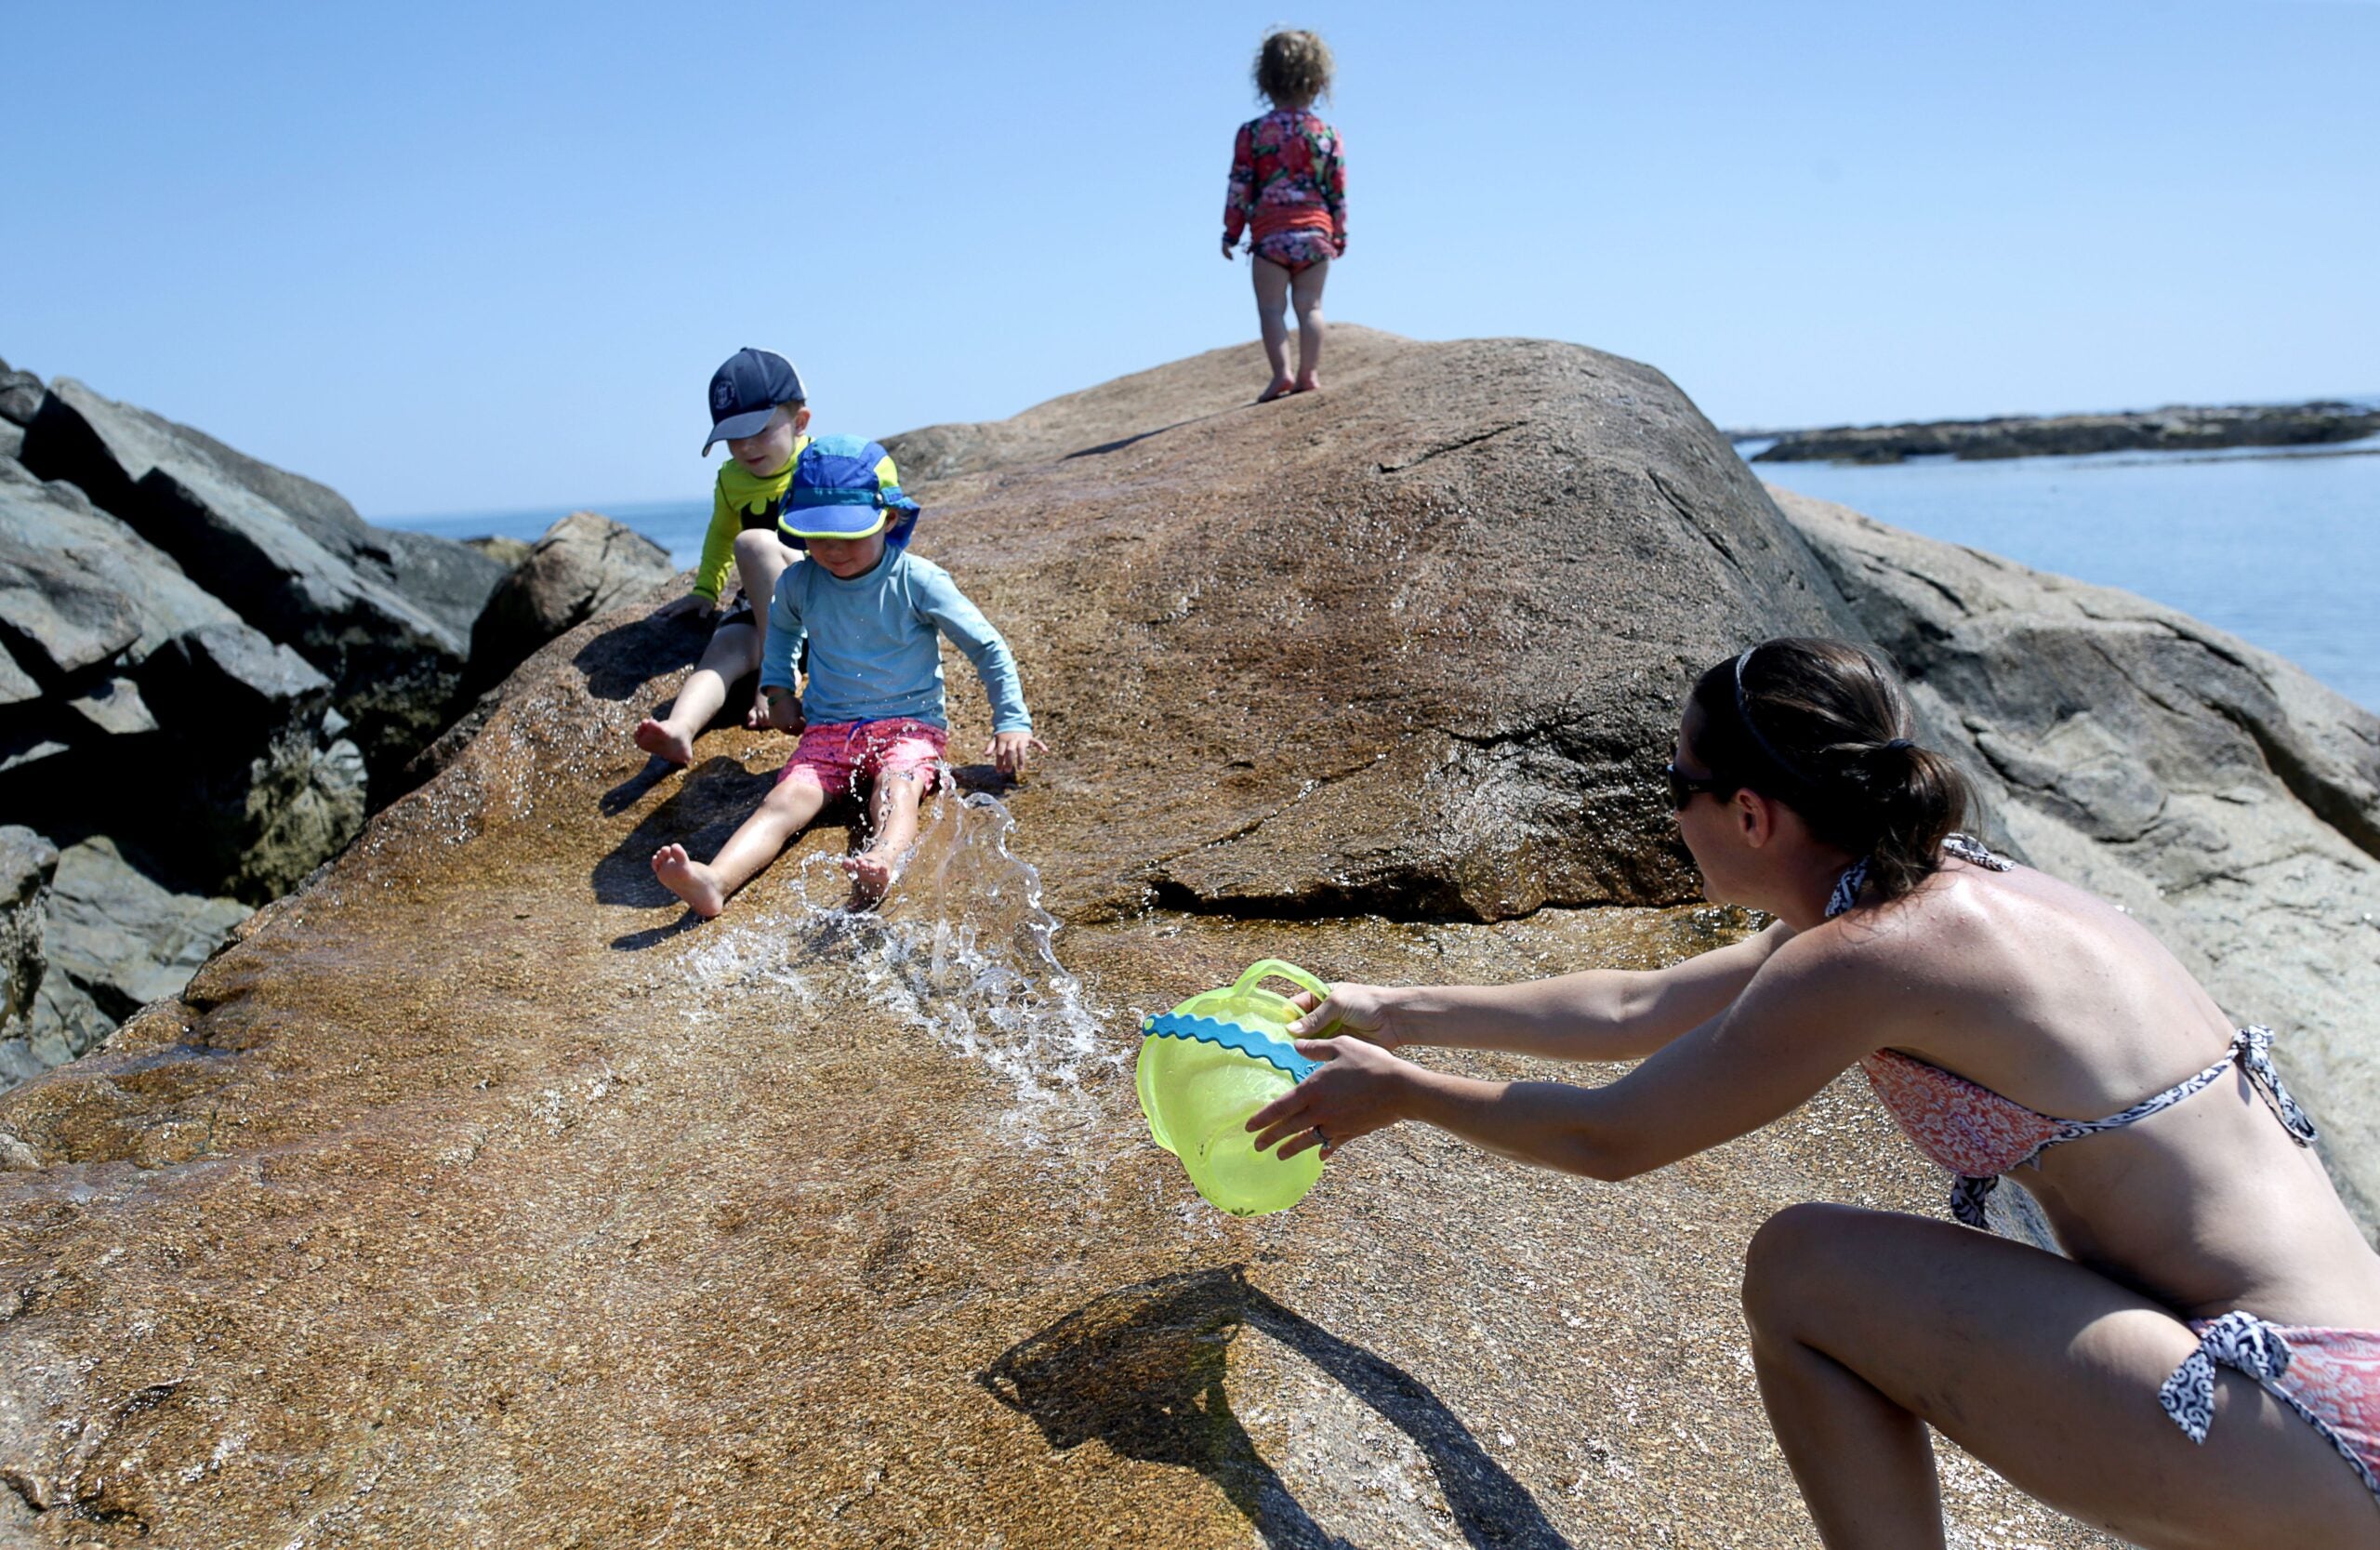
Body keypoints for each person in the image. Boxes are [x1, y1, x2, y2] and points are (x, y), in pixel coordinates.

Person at [1248, 637, 2380, 1547]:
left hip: (2294, 1421)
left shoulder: (1873, 952)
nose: (1670, 813)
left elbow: (1611, 1135)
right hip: (2324, 1387)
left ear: (1748, 812)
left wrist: (1399, 1095)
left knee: (1803, 1269)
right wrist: (1395, 1009)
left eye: (1674, 786)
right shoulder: (1945, 893)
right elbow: (1639, 1006)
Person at [650, 436, 1043, 916]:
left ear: (890, 519)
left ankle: (884, 859)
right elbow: (781, 636)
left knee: (896, 788)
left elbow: (986, 645)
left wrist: (1012, 720)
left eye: (850, 534)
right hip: (829, 730)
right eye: (818, 536)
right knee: (784, 799)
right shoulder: (800, 581)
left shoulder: (917, 580)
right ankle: (715, 879)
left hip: (909, 727)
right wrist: (777, 690)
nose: (833, 550)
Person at [636, 347, 893, 766]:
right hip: (765, 605)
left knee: (754, 543)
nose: (746, 447)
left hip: (819, 598)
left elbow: (877, 504)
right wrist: (704, 591)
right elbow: (720, 533)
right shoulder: (730, 479)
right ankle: (680, 728)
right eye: (734, 437)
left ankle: (776, 677)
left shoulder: (821, 467)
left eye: (760, 431)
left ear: (800, 422)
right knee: (724, 651)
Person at [1222, 29, 1346, 404]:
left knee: (1271, 308)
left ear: (1265, 78)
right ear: (1319, 79)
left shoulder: (1254, 132)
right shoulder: (1326, 133)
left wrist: (1231, 233)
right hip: (1315, 232)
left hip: (1270, 235)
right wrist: (1339, 234)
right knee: (1311, 306)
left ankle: (1282, 374)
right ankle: (1309, 373)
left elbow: (1240, 185)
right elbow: (1336, 188)